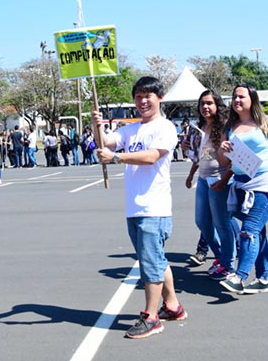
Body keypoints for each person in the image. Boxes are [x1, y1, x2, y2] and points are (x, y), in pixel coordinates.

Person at [93, 76, 185, 339]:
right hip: (135, 208)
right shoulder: (131, 129)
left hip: (153, 208)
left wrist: (117, 158)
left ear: (159, 98)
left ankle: (151, 316)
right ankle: (174, 306)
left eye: (148, 96)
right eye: (138, 96)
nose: (143, 101)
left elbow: (153, 156)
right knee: (156, 259)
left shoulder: (165, 127)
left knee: (150, 263)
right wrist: (95, 123)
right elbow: (106, 141)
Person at [219, 84, 268, 295]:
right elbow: (223, 160)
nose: (236, 100)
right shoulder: (230, 126)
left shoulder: (267, 124)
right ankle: (263, 278)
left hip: (264, 182)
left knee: (249, 230)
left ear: (252, 99)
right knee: (258, 233)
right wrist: (222, 149)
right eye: (234, 97)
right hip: (241, 183)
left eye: (241, 97)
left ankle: (240, 277)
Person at [183, 91, 238, 280]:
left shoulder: (224, 127)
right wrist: (191, 174)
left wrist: (223, 181)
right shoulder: (202, 128)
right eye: (202, 104)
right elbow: (201, 156)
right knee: (201, 221)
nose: (205, 107)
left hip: (218, 180)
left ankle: (227, 265)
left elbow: (231, 160)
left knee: (221, 224)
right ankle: (220, 254)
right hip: (204, 179)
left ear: (217, 106)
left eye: (209, 103)